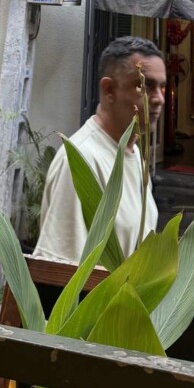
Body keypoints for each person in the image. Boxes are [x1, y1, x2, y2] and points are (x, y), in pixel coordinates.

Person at [33, 36, 166, 265]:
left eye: (163, 87)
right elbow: (59, 272)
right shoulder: (81, 161)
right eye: (144, 86)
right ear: (108, 90)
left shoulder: (134, 156)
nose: (159, 99)